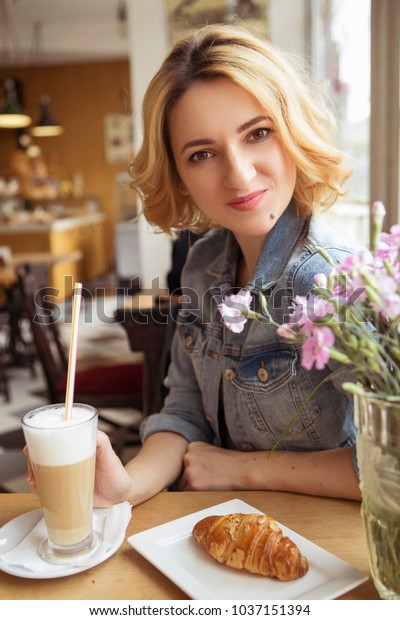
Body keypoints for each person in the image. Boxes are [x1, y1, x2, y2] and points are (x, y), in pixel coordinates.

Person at [29, 24, 362, 505]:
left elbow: (385, 464)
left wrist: (244, 470)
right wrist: (126, 486)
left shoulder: (336, 280)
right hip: (224, 538)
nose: (239, 174)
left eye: (258, 133)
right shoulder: (203, 263)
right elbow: (185, 410)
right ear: (180, 178)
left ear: (291, 133)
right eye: (202, 154)